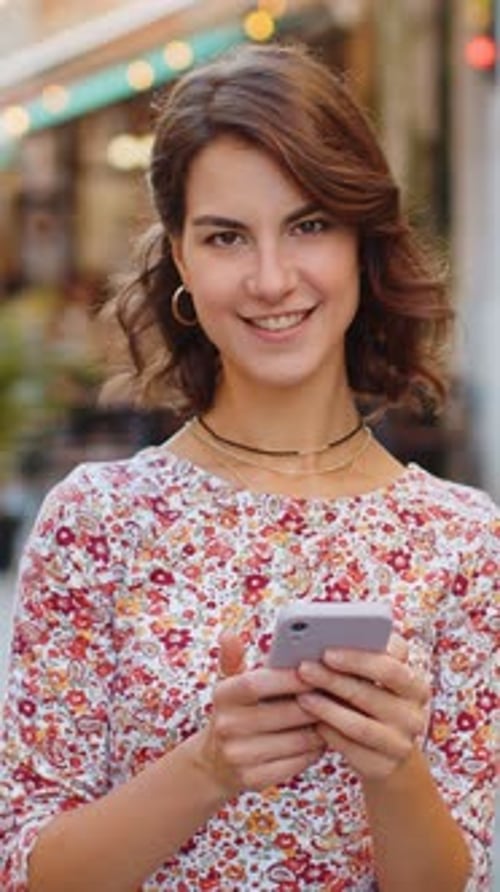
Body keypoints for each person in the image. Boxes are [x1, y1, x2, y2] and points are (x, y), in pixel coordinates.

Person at [0, 41, 497, 892]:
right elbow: (30, 873)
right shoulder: (100, 520)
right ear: (183, 262)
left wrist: (392, 769)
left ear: (360, 249)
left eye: (309, 225)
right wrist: (208, 768)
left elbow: (449, 880)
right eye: (227, 236)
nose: (272, 279)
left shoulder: (461, 539)